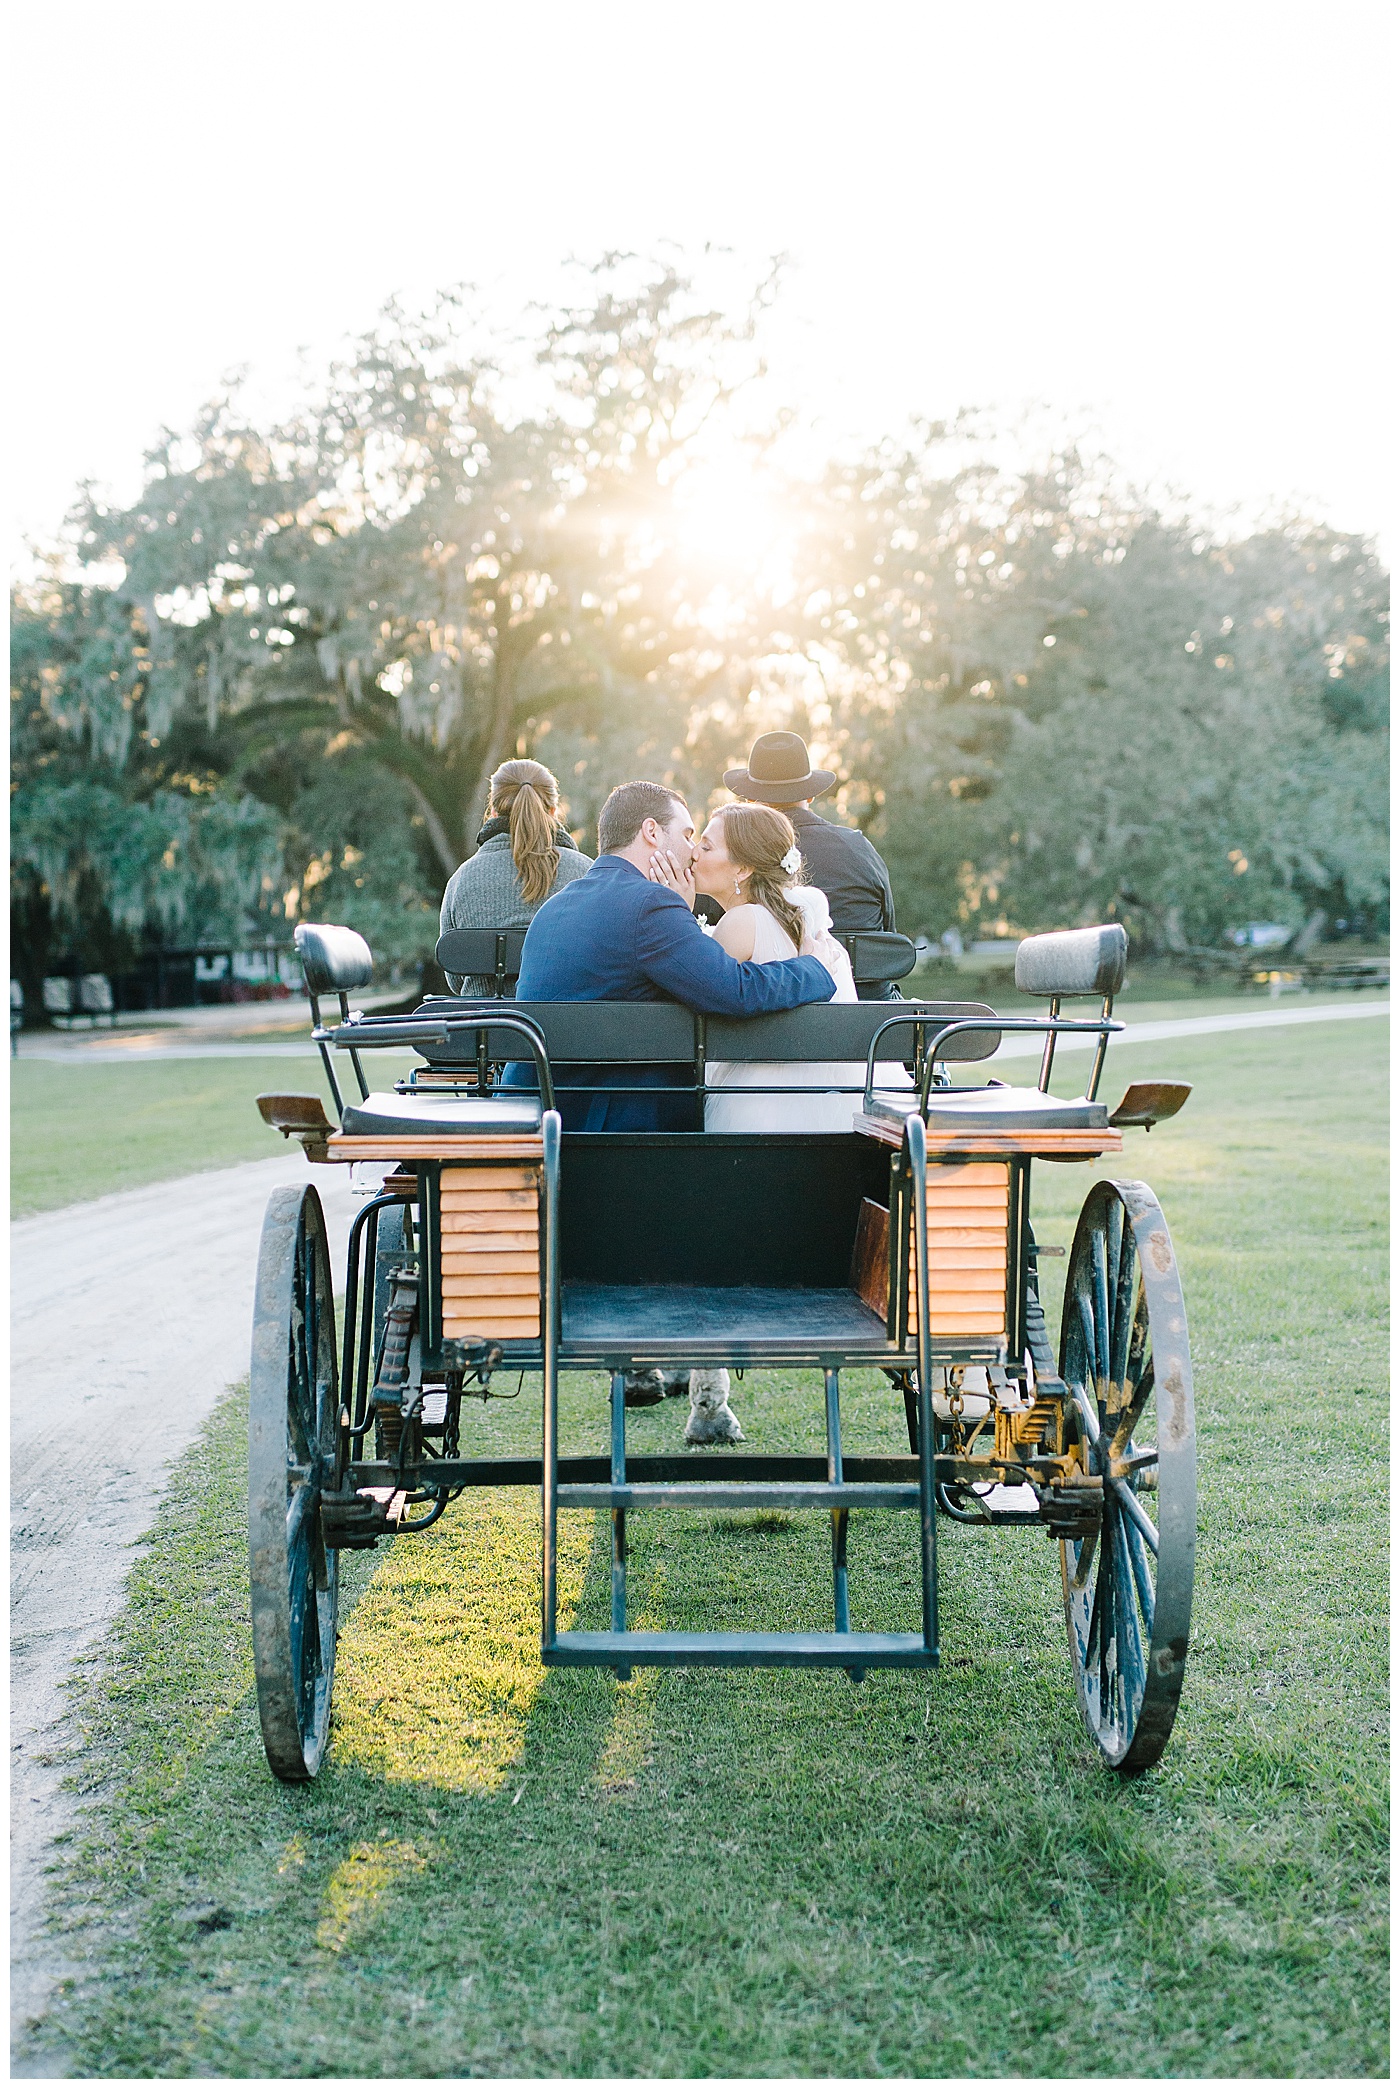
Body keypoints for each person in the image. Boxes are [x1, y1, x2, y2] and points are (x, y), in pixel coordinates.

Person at [512, 780, 835, 1132]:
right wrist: (814, 969)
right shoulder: (650, 904)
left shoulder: (556, 905)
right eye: (686, 835)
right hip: (603, 1120)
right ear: (651, 831)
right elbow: (734, 990)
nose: (692, 851)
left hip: (535, 1104)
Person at [648, 802, 876, 1133]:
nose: (694, 853)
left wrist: (679, 912)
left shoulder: (741, 922)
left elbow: (697, 989)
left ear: (742, 870)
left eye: (707, 846)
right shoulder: (807, 923)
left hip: (755, 1107)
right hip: (825, 1108)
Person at [723, 731, 899, 998]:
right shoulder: (859, 849)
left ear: (749, 801)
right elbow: (888, 927)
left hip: (776, 1006)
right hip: (873, 1010)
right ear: (811, 795)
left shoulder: (734, 859)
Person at [439, 759, 592, 993]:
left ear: (493, 811)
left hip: (486, 1027)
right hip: (567, 1028)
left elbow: (455, 977)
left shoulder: (461, 880)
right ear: (553, 811)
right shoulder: (587, 875)